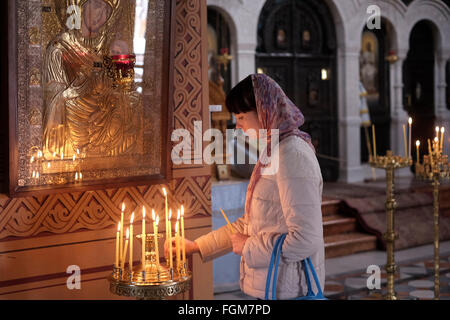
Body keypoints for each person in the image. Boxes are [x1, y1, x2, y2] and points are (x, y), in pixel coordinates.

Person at [165, 74, 325, 299]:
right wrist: (196, 246)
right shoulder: (275, 150)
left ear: (264, 111)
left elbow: (306, 238)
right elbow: (249, 225)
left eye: (241, 117)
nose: (237, 126)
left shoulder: (292, 155)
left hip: (289, 290)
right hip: (275, 286)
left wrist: (249, 247)